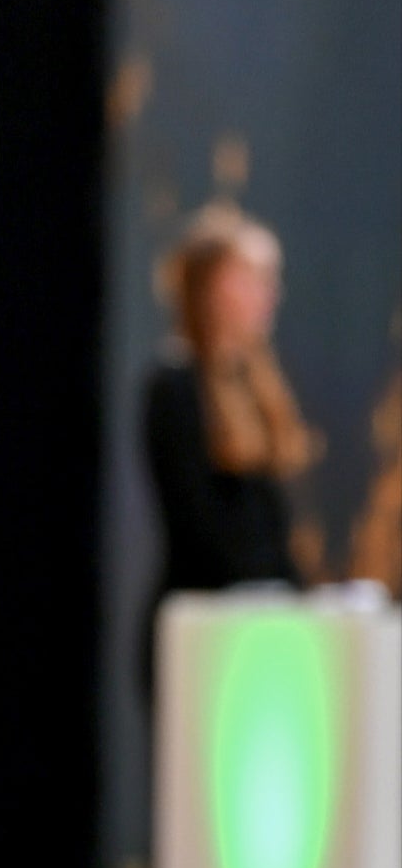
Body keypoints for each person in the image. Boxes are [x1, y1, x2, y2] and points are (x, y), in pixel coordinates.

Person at [143, 202, 321, 597]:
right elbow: (201, 526)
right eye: (252, 278)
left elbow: (270, 529)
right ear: (210, 287)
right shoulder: (175, 387)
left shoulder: (256, 386)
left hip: (255, 621)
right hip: (202, 624)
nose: (269, 294)